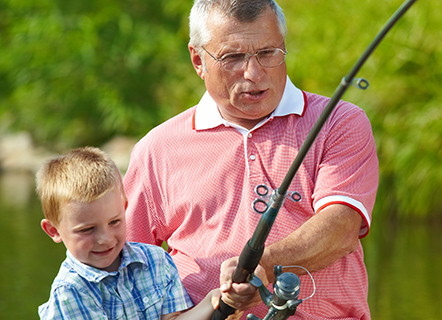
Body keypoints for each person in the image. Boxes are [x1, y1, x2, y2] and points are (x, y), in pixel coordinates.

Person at [123, 0, 379, 319]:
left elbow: (341, 228)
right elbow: (122, 262)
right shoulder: (156, 149)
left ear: (283, 47)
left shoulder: (339, 122)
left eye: (268, 53)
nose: (254, 73)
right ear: (198, 60)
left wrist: (266, 265)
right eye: (233, 57)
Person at [36, 147, 222, 320]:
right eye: (87, 229)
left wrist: (213, 302)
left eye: (114, 222)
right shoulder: (69, 291)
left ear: (125, 208)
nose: (105, 239)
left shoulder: (157, 260)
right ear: (54, 230)